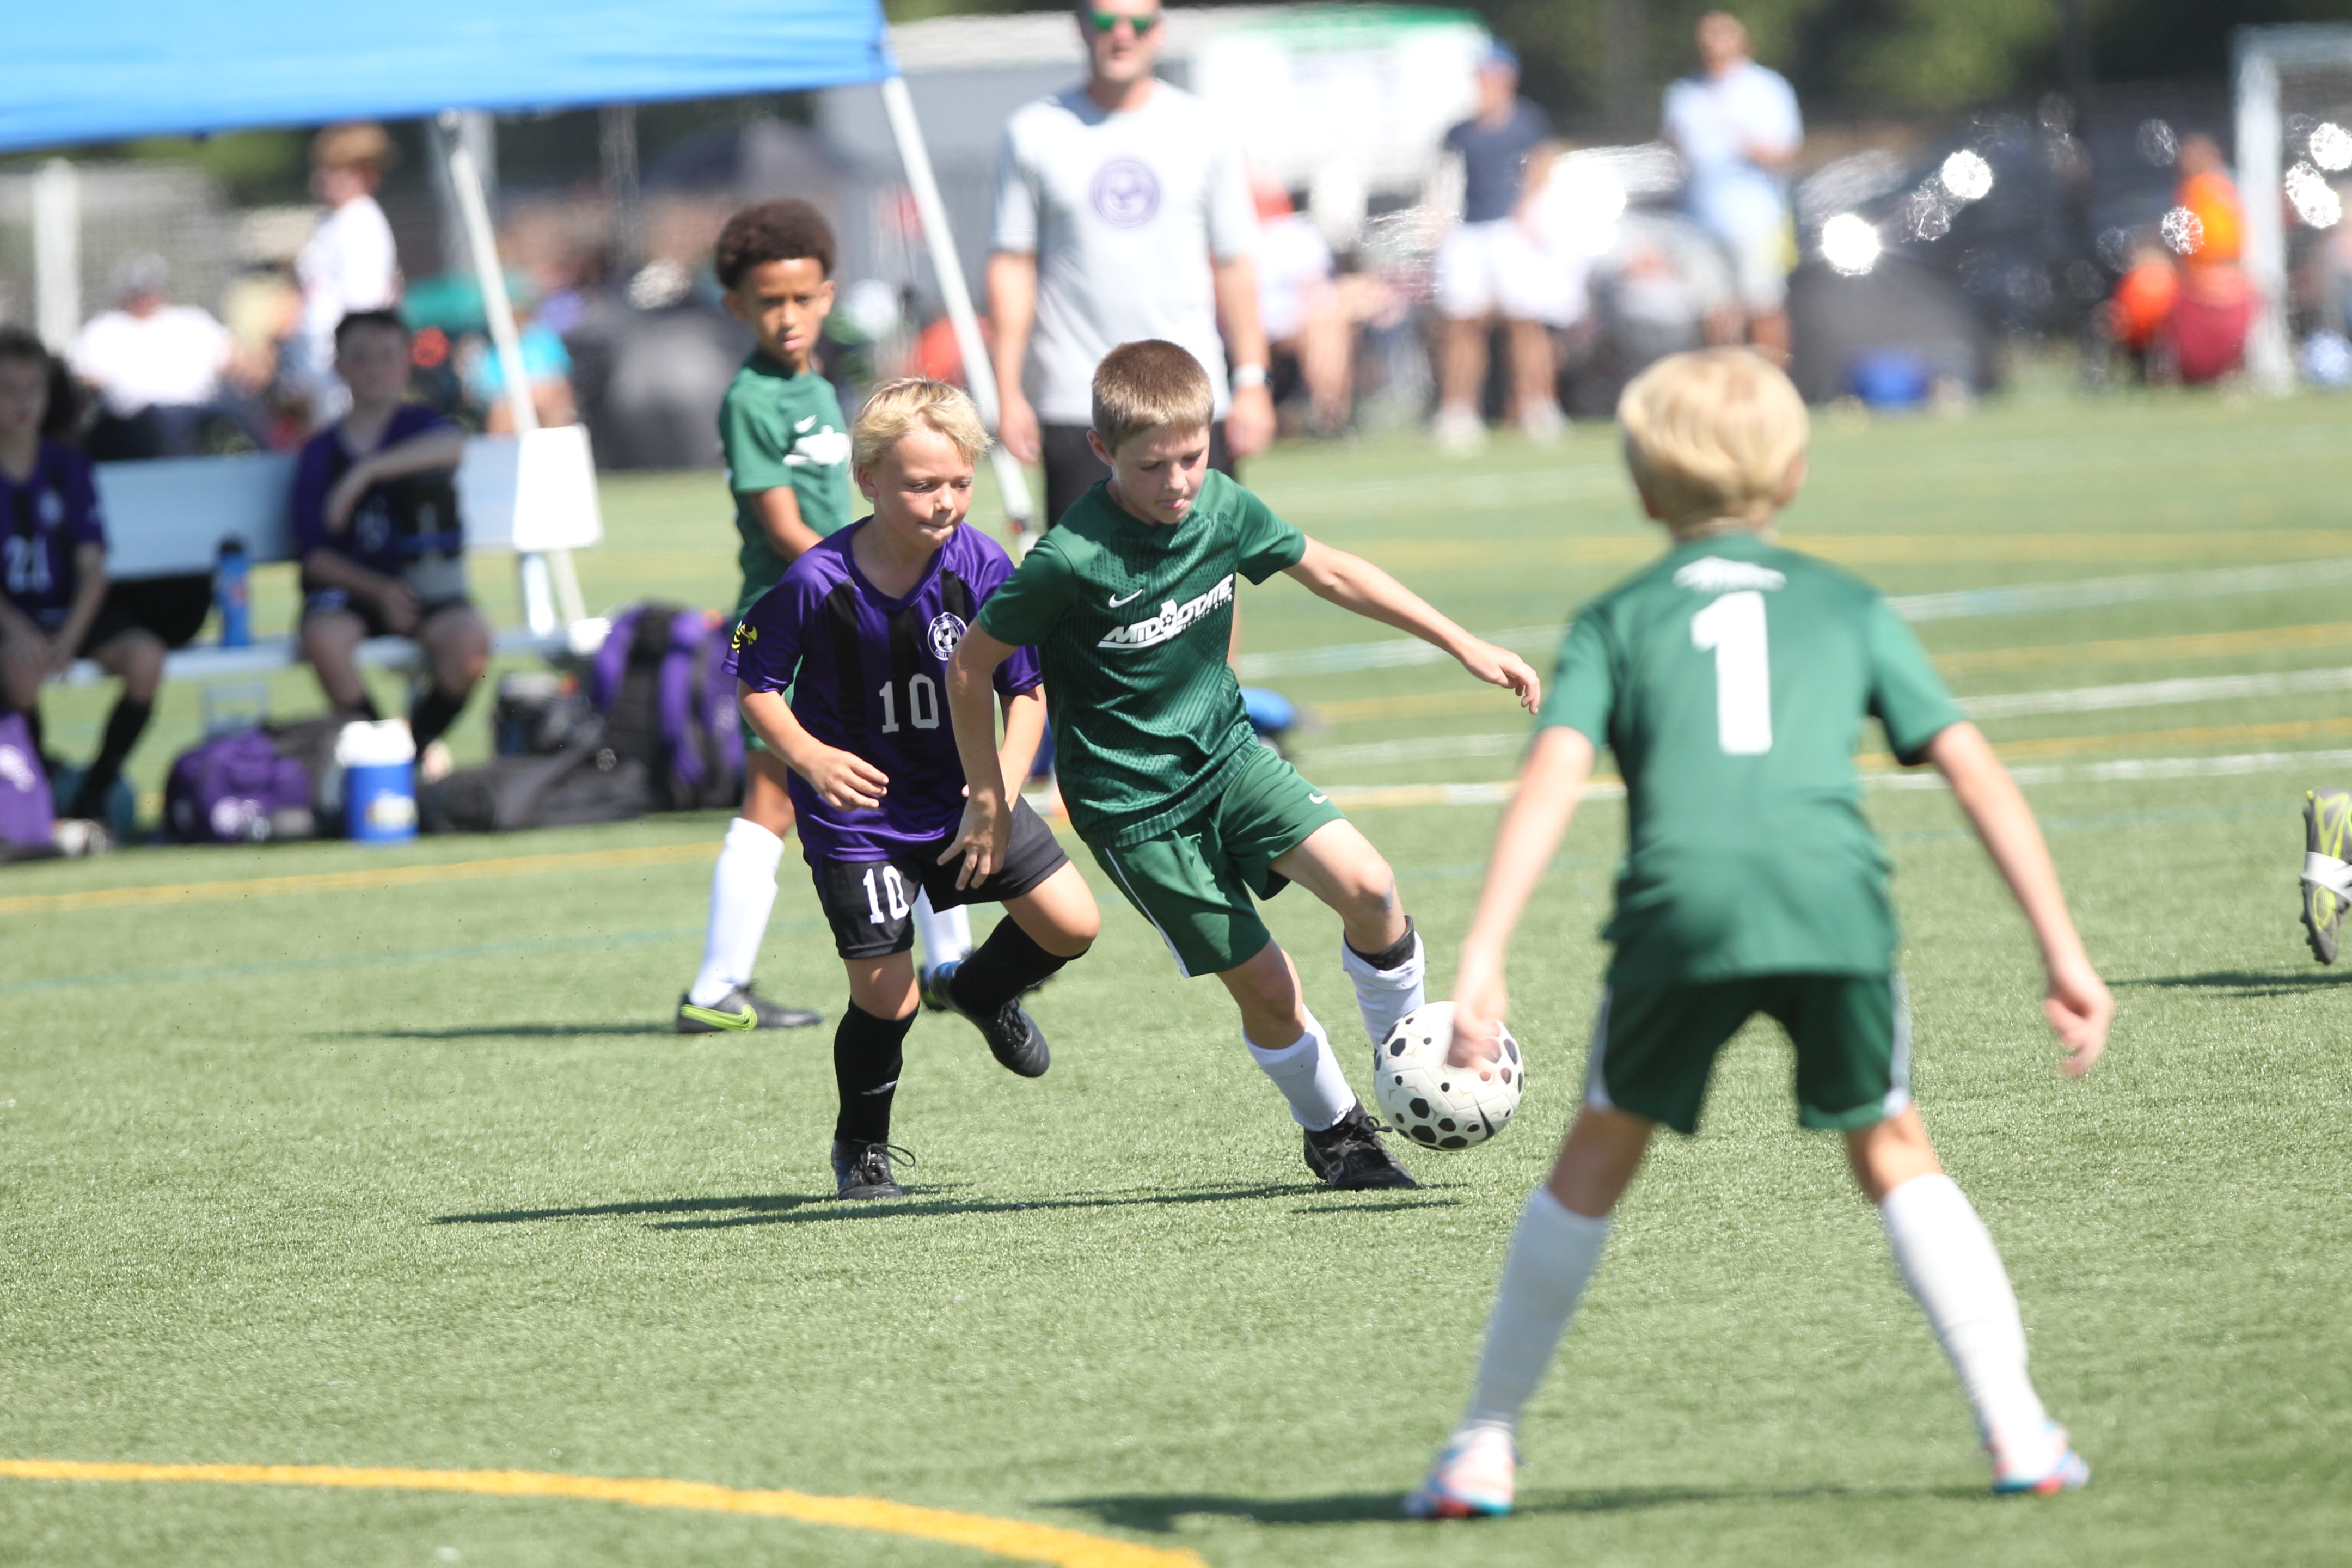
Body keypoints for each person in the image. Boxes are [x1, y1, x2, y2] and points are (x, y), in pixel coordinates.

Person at [1404, 349, 2111, 1517]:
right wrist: (2062, 950)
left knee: (1593, 1162)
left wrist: (1484, 953)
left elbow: (1551, 779)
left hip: (1681, 913)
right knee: (1893, 1147)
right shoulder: (1846, 603)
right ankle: (2019, 1431)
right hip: (1833, 904)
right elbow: (1973, 768)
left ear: (1643, 490)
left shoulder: (1619, 618)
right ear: (1793, 475)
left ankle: (1484, 1445)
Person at [942, 340, 1542, 1191]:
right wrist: (989, 794)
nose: (1178, 482)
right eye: (1153, 466)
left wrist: (1463, 643)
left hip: (1229, 757)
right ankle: (1337, 1136)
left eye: (1193, 457)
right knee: (1269, 985)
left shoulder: (1221, 505)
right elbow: (970, 666)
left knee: (1371, 888)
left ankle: (1405, 1061)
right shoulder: (1069, 559)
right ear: (1103, 450)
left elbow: (1330, 571)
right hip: (1133, 806)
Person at [728, 378, 1101, 1199]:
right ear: (868, 480)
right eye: (922, 484)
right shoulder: (816, 579)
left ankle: (977, 989)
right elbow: (755, 682)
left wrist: (998, 795)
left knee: (1074, 923)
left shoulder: (984, 564)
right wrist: (810, 758)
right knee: (887, 1001)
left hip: (964, 801)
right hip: (860, 820)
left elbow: (1027, 692)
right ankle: (861, 1148)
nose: (945, 502)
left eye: (960, 483)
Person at [675, 201, 973, 1036]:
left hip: (842, 611)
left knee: (915, 766)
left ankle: (951, 967)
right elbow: (783, 527)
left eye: (802, 298)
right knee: (772, 796)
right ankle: (715, 988)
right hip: (786, 620)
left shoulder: (814, 386)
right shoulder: (750, 398)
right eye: (769, 302)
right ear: (736, 306)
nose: (788, 316)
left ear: (828, 296)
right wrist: (874, 582)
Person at [987, 0, 1275, 530]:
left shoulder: (1205, 128)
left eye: (1138, 23)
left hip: (1193, 398)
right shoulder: (1033, 131)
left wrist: (1253, 381)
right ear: (1080, 27)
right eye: (1106, 21)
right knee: (1084, 576)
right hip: (1077, 401)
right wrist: (1007, 391)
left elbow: (1235, 262)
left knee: (1207, 570)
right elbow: (1012, 263)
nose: (1122, 34)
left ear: (1158, 31)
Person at [290, 310, 490, 777]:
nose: (374, 369)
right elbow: (314, 554)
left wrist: (366, 472)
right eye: (361, 358)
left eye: (386, 356)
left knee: (469, 644)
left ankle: (413, 750)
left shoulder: (420, 426)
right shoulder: (321, 452)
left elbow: (453, 446)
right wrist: (378, 590)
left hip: (426, 587)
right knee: (324, 640)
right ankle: (384, 754)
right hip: (354, 591)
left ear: (406, 363)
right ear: (339, 366)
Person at [0, 328, 164, 847]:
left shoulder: (68, 464)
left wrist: (70, 637)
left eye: (33, 389)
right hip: (11, 619)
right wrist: (19, 631)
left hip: (68, 614)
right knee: (20, 672)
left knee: (146, 659)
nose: (22, 402)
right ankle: (41, 800)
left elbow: (94, 567)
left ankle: (95, 792)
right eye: (8, 389)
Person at [1431, 41, 1571, 453]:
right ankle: (1459, 410)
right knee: (1463, 323)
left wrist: (1529, 209)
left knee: (1525, 322)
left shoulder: (1527, 121)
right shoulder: (1459, 131)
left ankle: (1538, 404)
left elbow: (1544, 163)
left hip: (1511, 230)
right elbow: (1443, 179)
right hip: (1469, 230)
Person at [1662, 12, 1802, 360]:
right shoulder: (1684, 93)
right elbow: (1674, 150)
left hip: (1754, 219)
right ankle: (1724, 385)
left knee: (1762, 304)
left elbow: (1785, 152)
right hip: (1699, 220)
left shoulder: (1766, 88)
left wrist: (1746, 142)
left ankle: (1770, 381)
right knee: (1713, 310)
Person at [70, 254, 238, 459]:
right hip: (135, 422)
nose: (144, 298)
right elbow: (84, 376)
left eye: (149, 290)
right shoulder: (104, 329)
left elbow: (233, 360)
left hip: (199, 414)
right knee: (161, 423)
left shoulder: (193, 321)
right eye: (137, 292)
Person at [293, 122, 402, 426]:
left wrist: (353, 363)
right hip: (319, 365)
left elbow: (363, 303)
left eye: (334, 169)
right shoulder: (332, 221)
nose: (322, 176)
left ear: (365, 174)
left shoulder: (361, 223)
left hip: (341, 370)